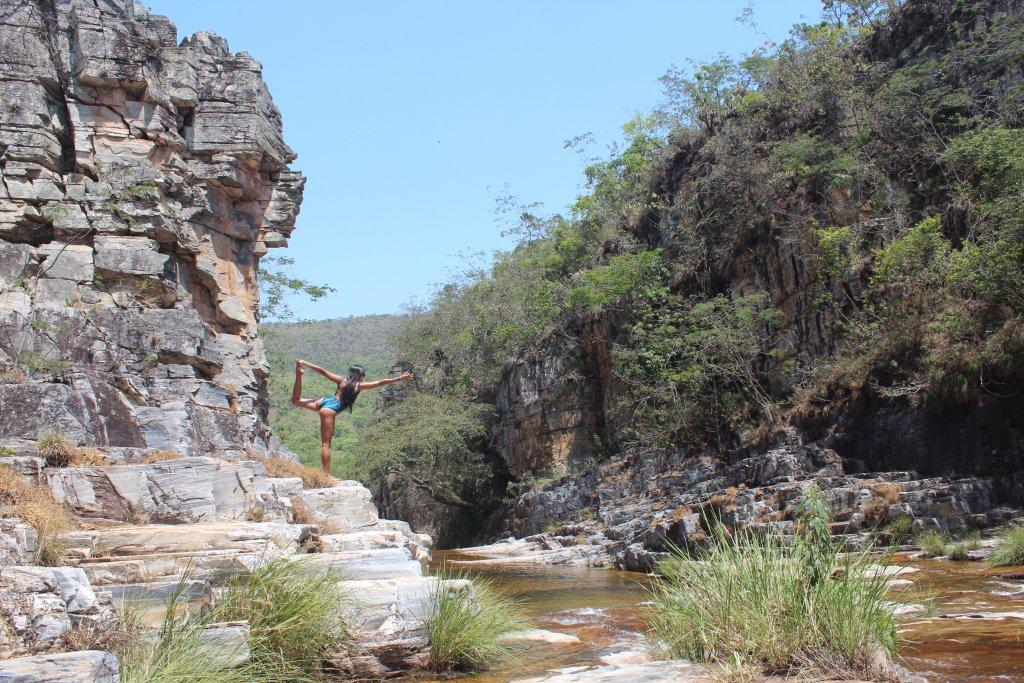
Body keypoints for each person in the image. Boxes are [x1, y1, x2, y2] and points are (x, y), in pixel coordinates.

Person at [291, 358, 413, 471]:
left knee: (296, 400)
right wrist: (399, 379)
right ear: (360, 375)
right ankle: (326, 475)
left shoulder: (342, 380)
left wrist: (305, 363)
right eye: (363, 375)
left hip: (325, 401)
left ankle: (299, 374)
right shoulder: (358, 386)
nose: (364, 378)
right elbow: (380, 382)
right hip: (330, 410)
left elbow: (322, 371)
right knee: (326, 444)